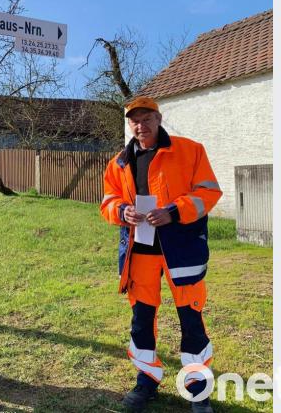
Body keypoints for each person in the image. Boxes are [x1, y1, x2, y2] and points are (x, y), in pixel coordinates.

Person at [100, 96, 222, 413]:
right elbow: (107, 201)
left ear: (159, 118)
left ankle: (197, 389)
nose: (141, 125)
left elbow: (209, 192)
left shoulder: (190, 150)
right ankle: (147, 380)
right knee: (141, 321)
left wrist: (174, 211)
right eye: (135, 120)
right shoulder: (119, 163)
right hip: (139, 253)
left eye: (147, 118)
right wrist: (121, 211)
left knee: (191, 319)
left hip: (182, 249)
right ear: (130, 125)